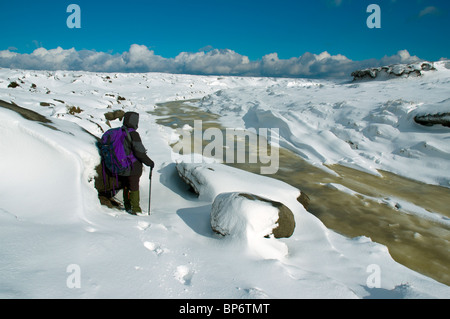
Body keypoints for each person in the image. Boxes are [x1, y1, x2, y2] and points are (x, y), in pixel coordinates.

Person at [121, 111, 155, 214]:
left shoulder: (120, 131)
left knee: (126, 185)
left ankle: (127, 206)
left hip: (121, 165)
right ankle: (136, 209)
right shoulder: (133, 134)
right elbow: (139, 152)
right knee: (134, 187)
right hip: (132, 166)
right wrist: (150, 163)